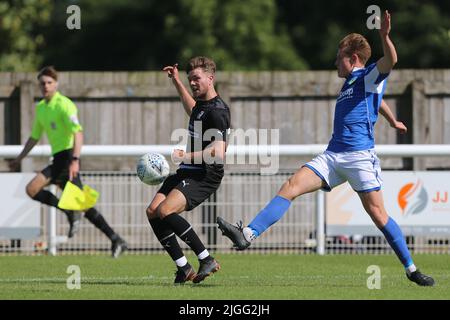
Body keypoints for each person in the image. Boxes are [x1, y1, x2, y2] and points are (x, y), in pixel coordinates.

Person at [217, 11, 434, 286]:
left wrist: (385, 37)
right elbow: (376, 99)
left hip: (359, 158)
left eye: (338, 57)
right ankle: (247, 234)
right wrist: (393, 120)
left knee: (379, 215)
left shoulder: (368, 75)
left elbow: (391, 61)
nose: (335, 62)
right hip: (333, 156)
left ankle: (411, 269)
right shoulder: (355, 83)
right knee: (291, 185)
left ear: (352, 58)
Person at [8, 66, 128, 258]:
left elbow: (78, 133)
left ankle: (116, 239)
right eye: (42, 83)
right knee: (32, 189)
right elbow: (34, 137)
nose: (45, 86)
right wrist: (19, 158)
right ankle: (79, 217)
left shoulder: (65, 105)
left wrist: (75, 160)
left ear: (56, 84)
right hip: (58, 160)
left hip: (68, 158)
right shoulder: (41, 108)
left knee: (84, 205)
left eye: (49, 82)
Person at [146, 56, 230, 284]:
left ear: (210, 78)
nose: (193, 83)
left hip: (205, 175)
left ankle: (206, 258)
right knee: (153, 211)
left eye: (197, 78)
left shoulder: (218, 111)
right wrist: (176, 82)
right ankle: (184, 268)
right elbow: (192, 109)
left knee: (166, 210)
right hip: (188, 171)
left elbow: (218, 152)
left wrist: (186, 156)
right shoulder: (202, 106)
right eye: (190, 79)